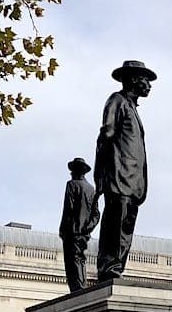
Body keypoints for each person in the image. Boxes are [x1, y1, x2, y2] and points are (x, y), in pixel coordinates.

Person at [94, 60, 157, 281]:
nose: (149, 84)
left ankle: (116, 267)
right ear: (133, 79)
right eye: (145, 79)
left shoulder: (132, 107)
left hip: (133, 182)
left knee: (126, 227)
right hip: (118, 176)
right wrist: (101, 174)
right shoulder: (117, 100)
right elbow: (106, 135)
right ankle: (108, 267)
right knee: (115, 224)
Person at [59, 157, 99, 292]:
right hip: (84, 233)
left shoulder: (71, 185)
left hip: (71, 230)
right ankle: (81, 285)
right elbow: (96, 214)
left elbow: (68, 209)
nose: (71, 173)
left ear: (76, 171)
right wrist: (88, 228)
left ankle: (77, 288)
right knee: (80, 258)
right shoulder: (91, 189)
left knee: (71, 260)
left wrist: (63, 230)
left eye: (72, 170)